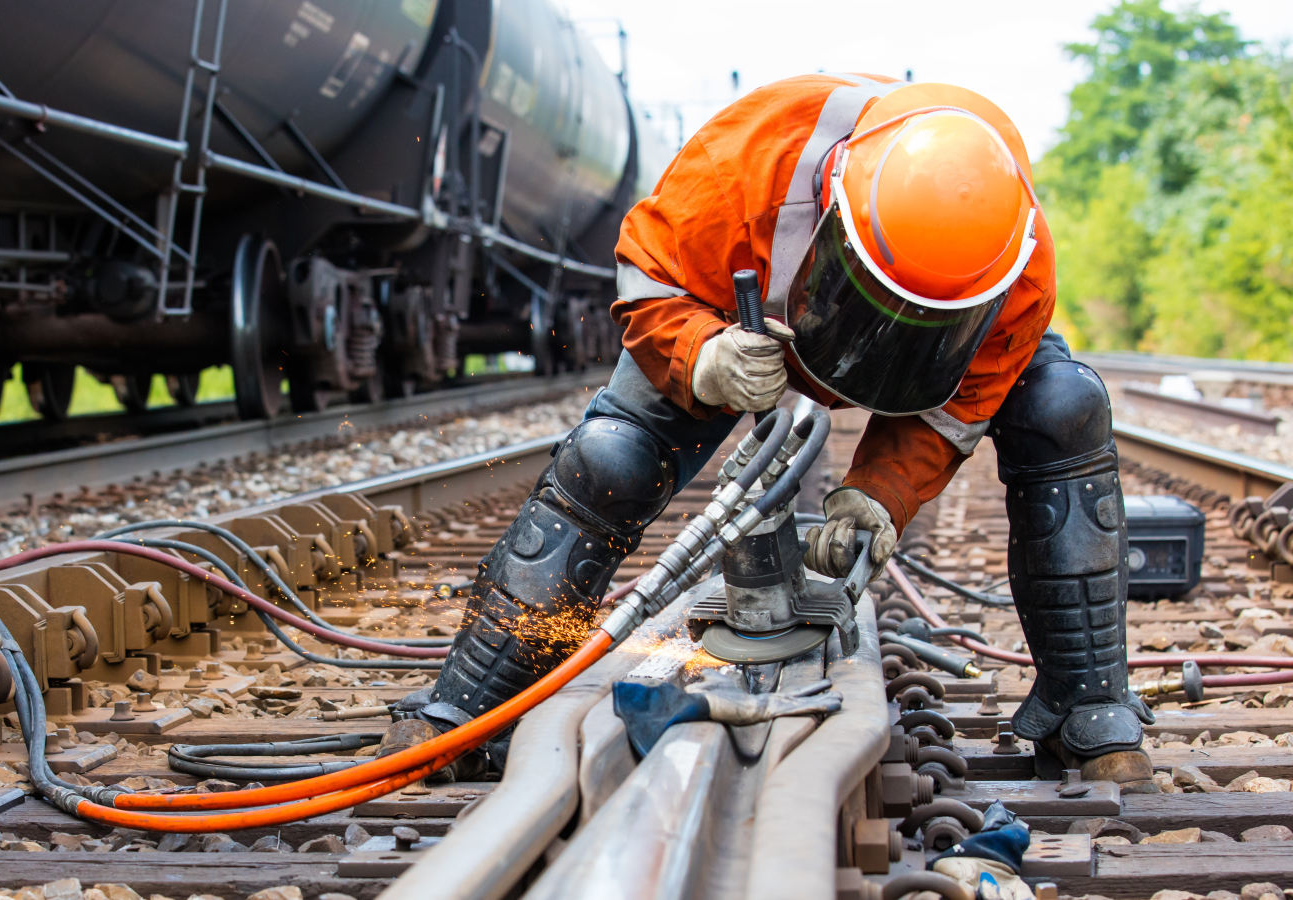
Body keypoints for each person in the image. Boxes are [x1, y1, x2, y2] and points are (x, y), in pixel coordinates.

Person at [403, 74, 1153, 790]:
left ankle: (1089, 706)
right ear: (835, 208)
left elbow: (965, 400)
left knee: (1063, 406)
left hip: (913, 350)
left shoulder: (1015, 261)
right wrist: (702, 355)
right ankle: (470, 707)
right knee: (610, 460)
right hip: (743, 326)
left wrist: (879, 494)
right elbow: (649, 274)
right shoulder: (748, 160)